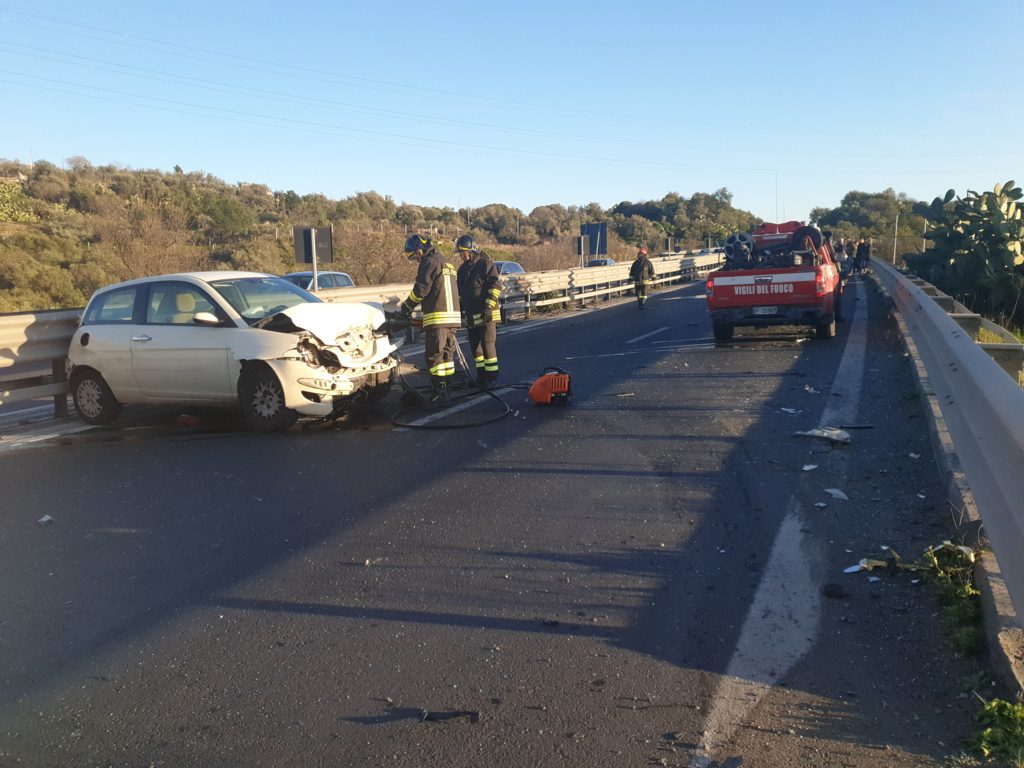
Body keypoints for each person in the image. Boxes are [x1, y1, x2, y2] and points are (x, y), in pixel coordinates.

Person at [399, 234, 461, 407]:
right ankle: (447, 389)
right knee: (448, 356)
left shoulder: (429, 262)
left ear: (420, 250)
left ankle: (439, 393)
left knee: (434, 356)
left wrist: (407, 306)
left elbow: (421, 289)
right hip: (453, 319)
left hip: (438, 318)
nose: (416, 260)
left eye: (415, 256)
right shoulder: (447, 262)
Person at [454, 234, 501, 388]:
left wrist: (488, 307)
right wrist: (461, 314)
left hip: (487, 314)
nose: (462, 256)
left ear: (472, 250)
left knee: (488, 345)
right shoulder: (462, 270)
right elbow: (460, 294)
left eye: (464, 253)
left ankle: (491, 378)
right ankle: (481, 377)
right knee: (476, 348)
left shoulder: (485, 264)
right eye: (460, 253)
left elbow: (495, 287)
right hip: (472, 316)